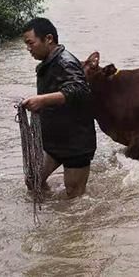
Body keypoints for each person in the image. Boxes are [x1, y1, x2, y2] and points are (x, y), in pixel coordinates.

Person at [22, 18, 96, 198]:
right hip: (54, 141)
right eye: (26, 45)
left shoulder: (65, 62)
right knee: (33, 180)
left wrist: (42, 100)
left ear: (48, 39)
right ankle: (49, 211)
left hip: (75, 144)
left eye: (31, 43)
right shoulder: (49, 62)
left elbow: (80, 90)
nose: (29, 49)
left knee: (74, 198)